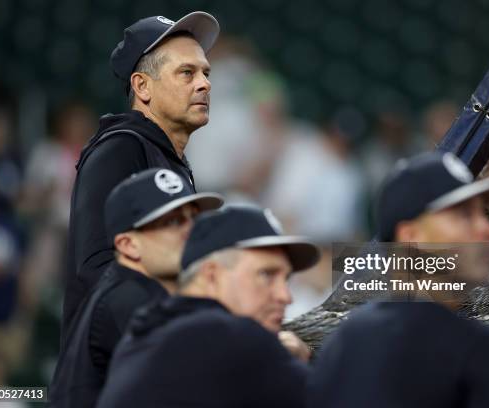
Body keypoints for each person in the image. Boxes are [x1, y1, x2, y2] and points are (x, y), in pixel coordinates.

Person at [308, 152, 489, 408]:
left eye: (483, 214)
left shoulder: (347, 339)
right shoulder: (483, 350)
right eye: (464, 215)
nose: (488, 228)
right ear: (411, 236)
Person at [64, 12, 220, 332]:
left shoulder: (169, 158)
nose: (205, 83)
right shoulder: (120, 149)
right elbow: (97, 267)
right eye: (187, 73)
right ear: (143, 86)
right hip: (110, 370)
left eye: (205, 72)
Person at [97, 205, 320, 408]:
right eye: (266, 275)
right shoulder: (231, 335)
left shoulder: (142, 335)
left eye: (286, 279)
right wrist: (299, 360)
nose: (285, 296)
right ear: (212, 275)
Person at [50, 168, 223, 408]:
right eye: (173, 221)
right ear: (129, 245)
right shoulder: (130, 300)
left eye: (192, 218)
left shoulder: (133, 289)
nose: (190, 230)